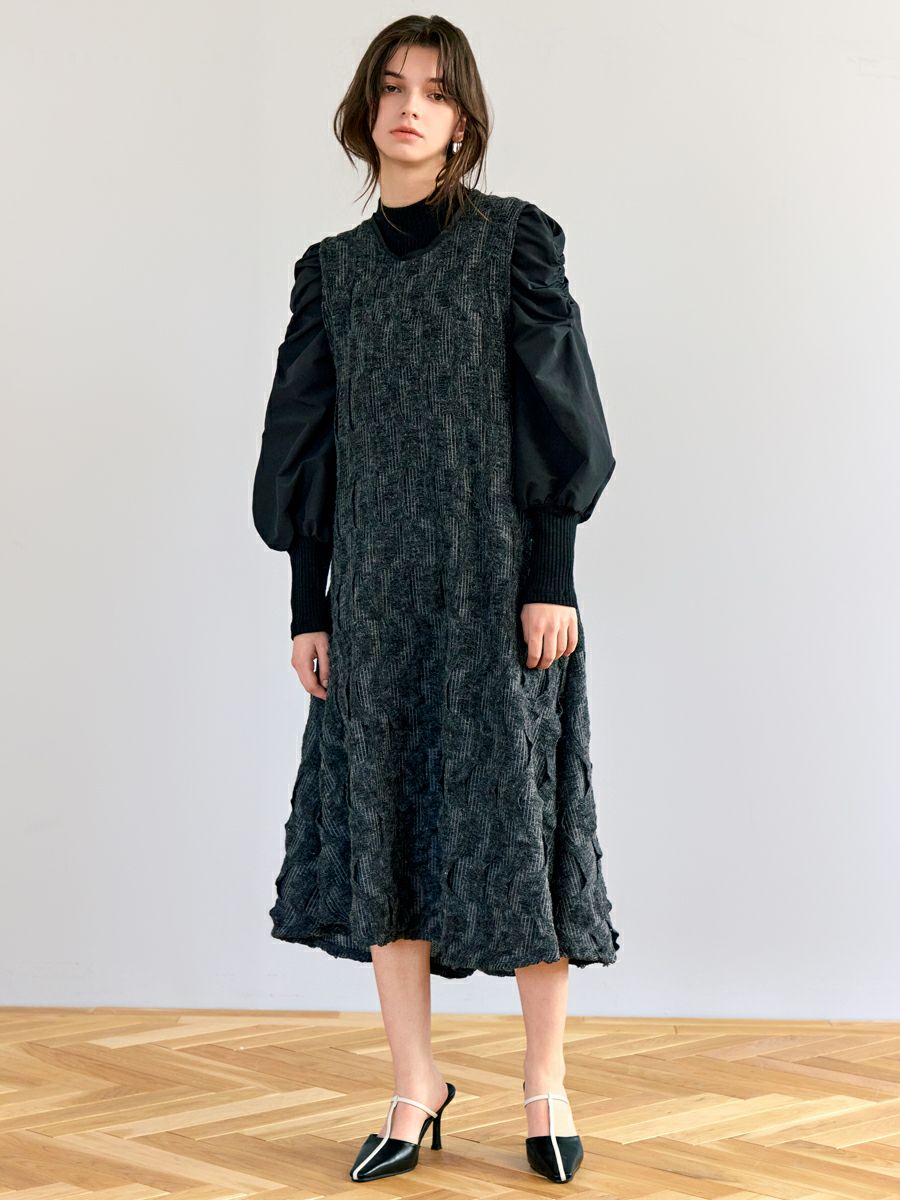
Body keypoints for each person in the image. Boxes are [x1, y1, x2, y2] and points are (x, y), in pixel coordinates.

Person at [251, 14, 620, 1186]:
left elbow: (559, 415)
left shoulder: (515, 244)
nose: (411, 106)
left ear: (463, 121)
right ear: (366, 112)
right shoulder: (331, 274)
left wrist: (551, 578)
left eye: (435, 90)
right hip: (374, 597)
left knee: (522, 830)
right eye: (392, 87)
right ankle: (415, 1086)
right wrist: (308, 606)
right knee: (388, 835)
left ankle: (545, 1081)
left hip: (496, 589)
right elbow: (303, 448)